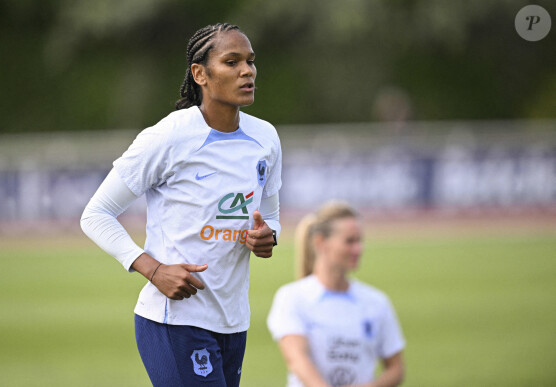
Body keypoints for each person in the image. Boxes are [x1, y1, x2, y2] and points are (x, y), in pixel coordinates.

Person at [80, 23, 282, 387]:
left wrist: (269, 236)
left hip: (234, 321)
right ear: (200, 74)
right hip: (174, 321)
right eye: (232, 61)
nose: (247, 71)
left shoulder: (265, 137)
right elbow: (95, 214)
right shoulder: (168, 137)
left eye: (250, 62)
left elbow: (269, 216)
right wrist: (152, 269)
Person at [267, 202, 404, 387]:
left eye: (359, 240)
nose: (359, 249)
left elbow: (396, 369)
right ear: (320, 242)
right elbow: (298, 361)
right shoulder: (292, 297)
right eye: (350, 241)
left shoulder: (376, 302)